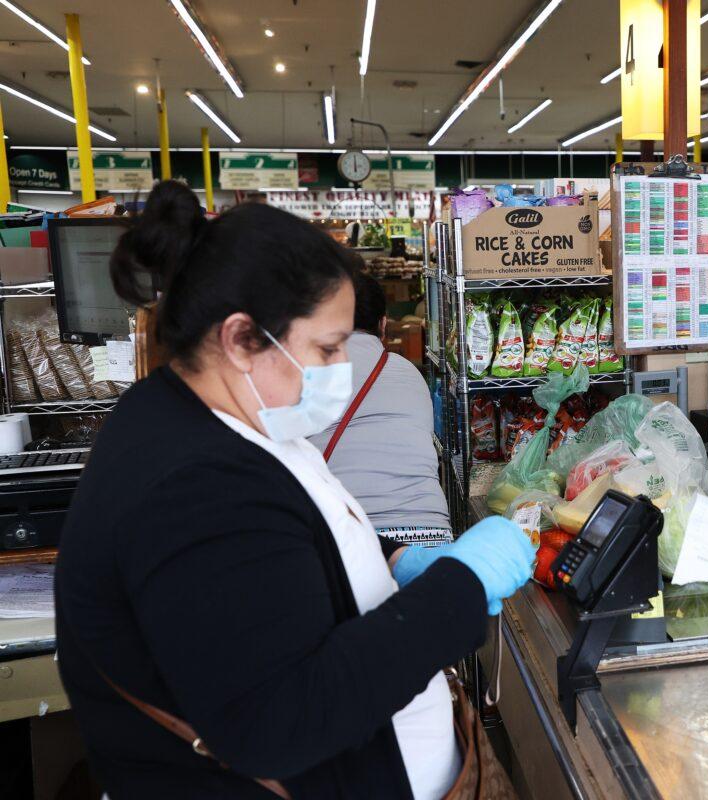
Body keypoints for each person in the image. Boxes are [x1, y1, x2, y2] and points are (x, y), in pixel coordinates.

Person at [54, 180, 534, 799]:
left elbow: (282, 543)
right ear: (241, 339)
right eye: (328, 347)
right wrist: (458, 589)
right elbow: (280, 721)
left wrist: (394, 557)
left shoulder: (221, 417)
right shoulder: (192, 486)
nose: (344, 366)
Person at [309, 272, 451, 546]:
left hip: (349, 536)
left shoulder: (308, 373)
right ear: (383, 324)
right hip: (430, 532)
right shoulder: (410, 372)